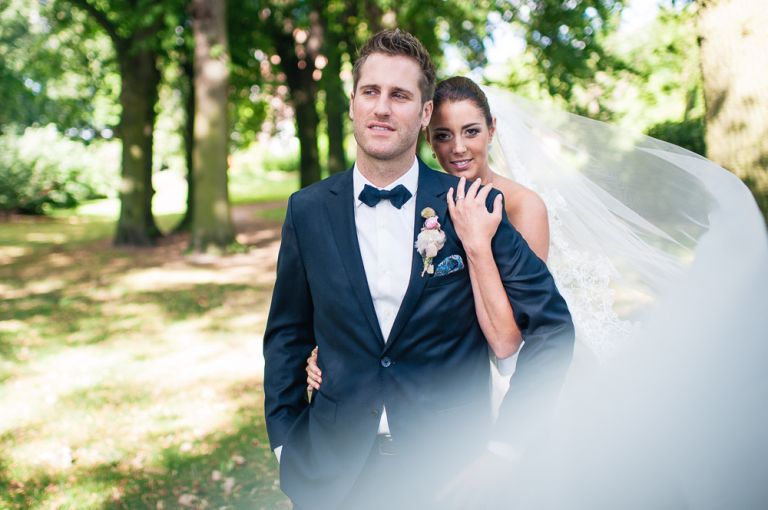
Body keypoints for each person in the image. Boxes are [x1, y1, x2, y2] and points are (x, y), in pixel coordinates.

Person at [263, 29, 574, 510]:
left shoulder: (473, 206)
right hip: (334, 476)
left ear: (424, 113)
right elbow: (286, 335)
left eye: (400, 95)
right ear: (353, 103)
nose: (382, 108)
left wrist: (505, 449)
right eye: (371, 92)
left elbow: (552, 330)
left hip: (449, 474)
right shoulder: (307, 211)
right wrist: (285, 444)